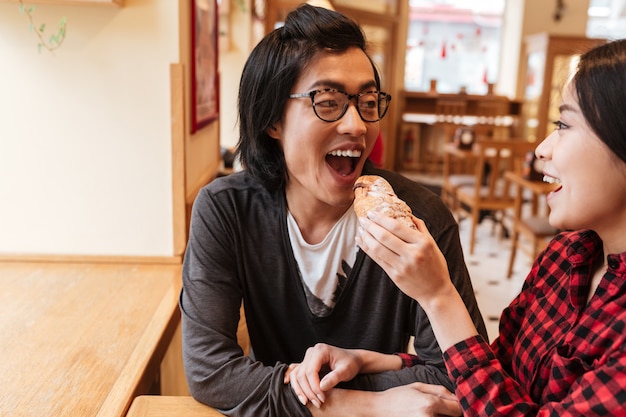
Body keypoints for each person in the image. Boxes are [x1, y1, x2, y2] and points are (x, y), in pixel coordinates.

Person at [287, 38, 626, 415]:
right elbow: (492, 376)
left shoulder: (428, 214)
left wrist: (438, 295)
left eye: (564, 125)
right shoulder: (565, 257)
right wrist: (371, 361)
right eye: (329, 103)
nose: (542, 148)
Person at [180, 4, 486, 417]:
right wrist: (363, 405)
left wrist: (286, 390)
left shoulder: (420, 219)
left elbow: (459, 377)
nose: (358, 125)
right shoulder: (227, 210)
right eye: (328, 101)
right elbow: (210, 372)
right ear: (272, 118)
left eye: (368, 101)